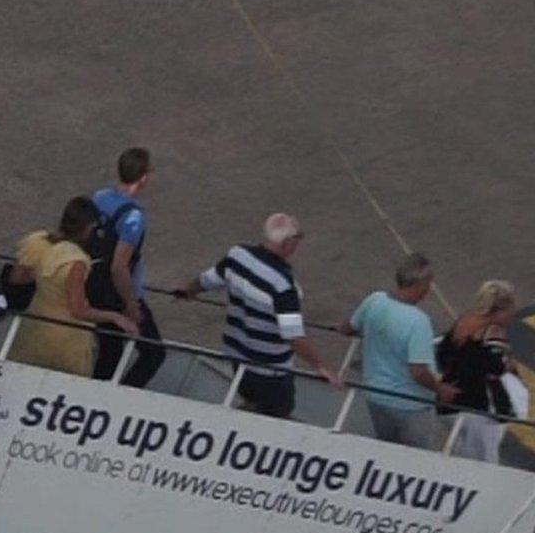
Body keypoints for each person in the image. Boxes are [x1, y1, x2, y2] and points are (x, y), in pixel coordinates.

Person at [174, 212, 339, 419]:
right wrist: (321, 366)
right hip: (270, 369)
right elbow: (293, 336)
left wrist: (188, 291)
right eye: (298, 238)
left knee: (251, 400)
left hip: (237, 354)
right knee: (279, 414)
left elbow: (207, 280)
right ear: (287, 243)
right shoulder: (284, 287)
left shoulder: (237, 255)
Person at [6, 197, 139, 376]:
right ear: (88, 227)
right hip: (67, 340)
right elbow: (78, 310)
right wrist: (114, 316)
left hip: (35, 323)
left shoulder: (38, 241)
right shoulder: (77, 261)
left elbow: (17, 279)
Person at [341, 253, 456, 449]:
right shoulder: (418, 322)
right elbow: (418, 371)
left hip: (376, 395)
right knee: (419, 459)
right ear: (420, 284)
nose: (429, 289)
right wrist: (440, 390)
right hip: (410, 405)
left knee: (388, 450)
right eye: (429, 283)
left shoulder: (374, 300)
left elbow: (348, 327)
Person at [90, 147, 165, 387]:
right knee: (153, 353)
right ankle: (119, 398)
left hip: (95, 285)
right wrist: (131, 304)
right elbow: (119, 267)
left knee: (109, 353)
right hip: (119, 293)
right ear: (143, 178)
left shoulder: (100, 197)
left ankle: (98, 397)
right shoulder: (133, 217)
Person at [437, 280, 520, 463]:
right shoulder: (491, 334)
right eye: (509, 311)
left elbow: (442, 356)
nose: (511, 316)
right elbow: (493, 367)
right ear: (498, 310)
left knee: (459, 457)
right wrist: (506, 363)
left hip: (449, 407)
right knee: (485, 464)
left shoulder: (462, 323)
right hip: (477, 410)